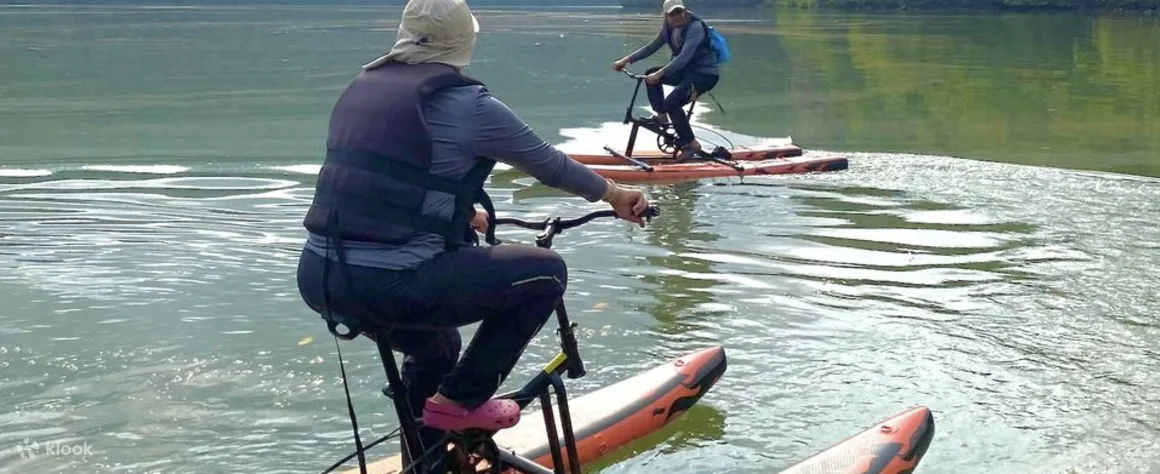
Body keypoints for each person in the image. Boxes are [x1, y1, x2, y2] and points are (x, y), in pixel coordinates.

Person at [294, 0, 650, 459]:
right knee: (546, 274)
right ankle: (459, 404)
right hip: (391, 283)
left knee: (437, 347)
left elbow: (382, 180)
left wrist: (456, 215)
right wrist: (616, 196)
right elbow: (548, 163)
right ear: (465, 41)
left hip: (321, 276)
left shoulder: (363, 90)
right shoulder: (470, 105)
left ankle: (428, 460)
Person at [612, 0, 721, 161]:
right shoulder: (669, 27)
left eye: (680, 12)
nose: (678, 16)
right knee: (651, 74)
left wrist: (662, 73)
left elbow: (684, 57)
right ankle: (661, 117)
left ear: (685, 11)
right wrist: (626, 60)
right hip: (686, 72)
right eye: (673, 14)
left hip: (704, 75)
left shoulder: (695, 27)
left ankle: (691, 144)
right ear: (666, 16)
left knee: (671, 102)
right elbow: (653, 46)